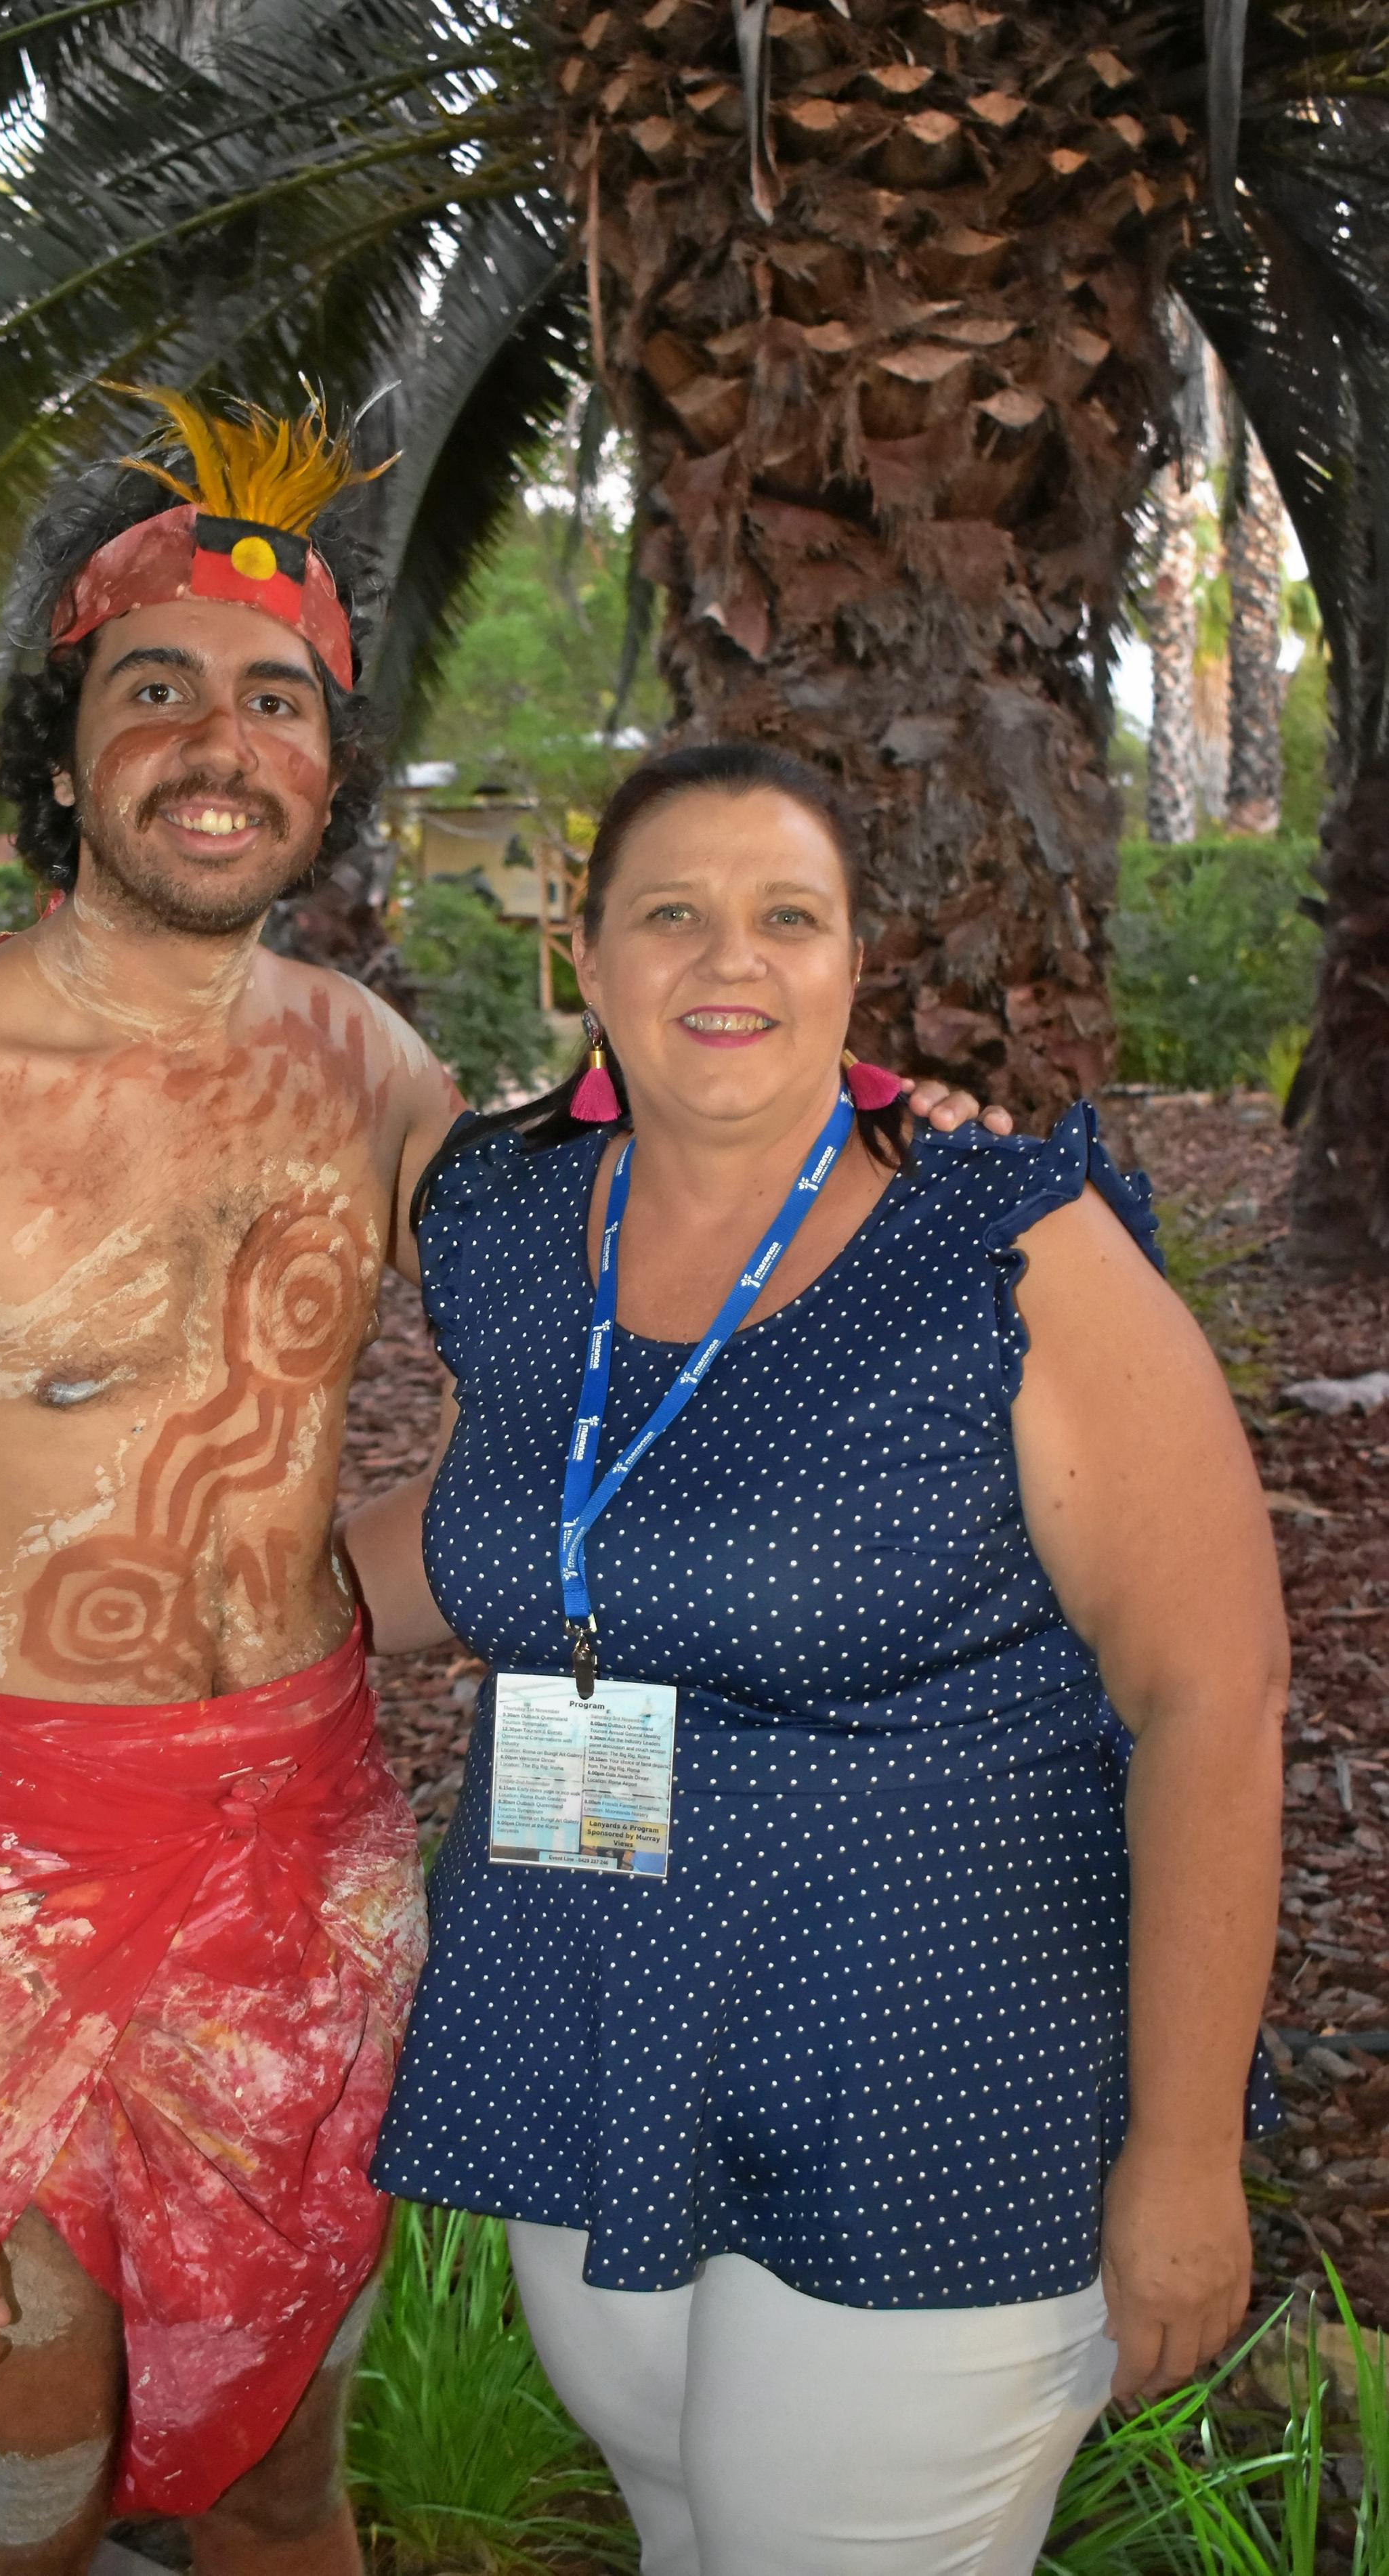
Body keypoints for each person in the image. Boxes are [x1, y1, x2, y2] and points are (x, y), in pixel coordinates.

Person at [0, 389, 996, 2576]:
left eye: (274, 697)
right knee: (11, 2487)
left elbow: (639, 1294)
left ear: (330, 759)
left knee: (291, 2475)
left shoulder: (375, 1079)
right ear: (64, 738)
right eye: (155, 685)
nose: (218, 737)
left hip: (307, 1872)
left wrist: (875, 1150)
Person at [354, 742, 1287, 2576]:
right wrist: (114, 1606)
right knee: (692, 2533)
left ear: (853, 963)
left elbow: (1213, 1700)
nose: (732, 960)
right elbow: (503, 1526)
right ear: (589, 957)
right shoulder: (512, 1223)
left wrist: (1182, 2156)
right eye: (674, 915)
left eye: (788, 917)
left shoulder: (1005, 1247)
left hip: (929, 2070)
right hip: (595, 2021)